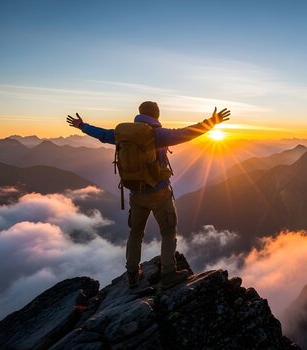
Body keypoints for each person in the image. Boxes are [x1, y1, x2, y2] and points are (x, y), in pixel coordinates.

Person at [66, 101, 230, 289]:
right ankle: (168, 273)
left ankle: (132, 276)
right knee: (168, 232)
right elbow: (187, 133)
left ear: (140, 114)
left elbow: (102, 134)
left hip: (135, 194)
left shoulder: (122, 134)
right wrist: (212, 122)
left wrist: (81, 125)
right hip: (159, 192)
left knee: (135, 233)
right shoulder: (158, 134)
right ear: (156, 115)